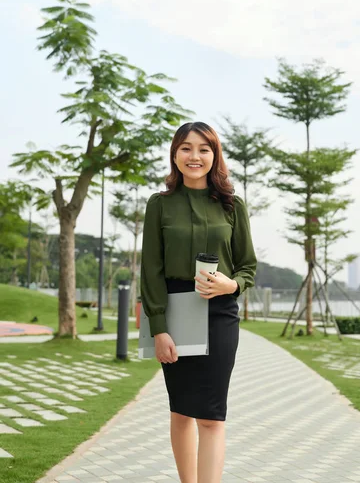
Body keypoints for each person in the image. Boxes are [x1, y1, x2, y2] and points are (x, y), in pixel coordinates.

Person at [140, 121, 257, 483]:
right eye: (186, 148)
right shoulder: (159, 205)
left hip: (220, 314)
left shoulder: (232, 205)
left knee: (210, 414)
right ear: (175, 154)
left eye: (203, 149)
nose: (195, 156)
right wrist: (158, 329)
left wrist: (230, 285)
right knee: (181, 411)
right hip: (173, 312)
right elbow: (151, 271)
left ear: (214, 155)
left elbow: (248, 266)